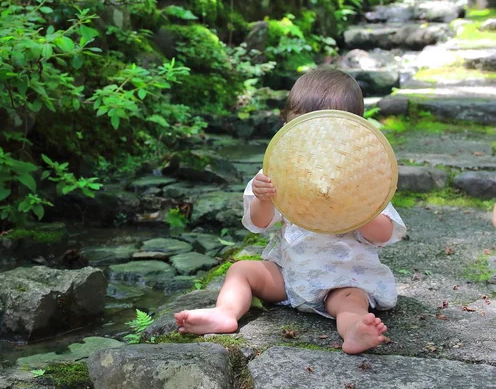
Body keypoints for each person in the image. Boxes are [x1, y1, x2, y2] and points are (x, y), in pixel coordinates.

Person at [174, 69, 407, 355]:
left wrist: (361, 209)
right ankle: (225, 312)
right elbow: (259, 223)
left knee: (350, 302)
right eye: (300, 130)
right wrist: (264, 198)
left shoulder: (364, 180)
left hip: (343, 277)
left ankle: (355, 331)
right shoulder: (281, 171)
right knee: (242, 270)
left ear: (351, 133)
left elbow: (383, 234)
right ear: (286, 125)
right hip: (288, 273)